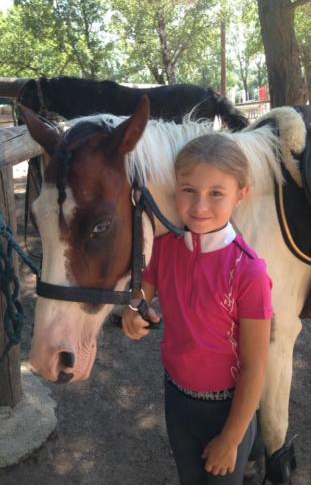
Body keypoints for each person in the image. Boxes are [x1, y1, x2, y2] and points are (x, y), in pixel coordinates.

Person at [122, 133, 272, 485]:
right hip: (176, 399)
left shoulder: (249, 271)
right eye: (188, 190)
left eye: (216, 193)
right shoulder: (165, 247)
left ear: (241, 195)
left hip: (228, 411)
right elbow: (143, 289)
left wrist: (232, 438)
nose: (199, 205)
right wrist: (133, 309)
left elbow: (255, 367)